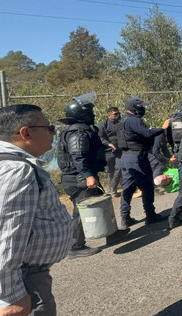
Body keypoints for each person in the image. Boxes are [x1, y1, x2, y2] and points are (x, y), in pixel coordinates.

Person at [0, 104, 72, 315]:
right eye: (49, 128)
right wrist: (11, 296)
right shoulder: (16, 171)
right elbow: (4, 236)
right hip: (23, 280)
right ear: (26, 132)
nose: (54, 133)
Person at [56, 95, 108, 258]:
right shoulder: (78, 131)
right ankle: (74, 246)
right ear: (82, 113)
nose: (92, 114)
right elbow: (78, 155)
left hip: (82, 176)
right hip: (78, 177)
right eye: (90, 111)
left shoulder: (81, 129)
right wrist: (88, 175)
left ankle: (111, 232)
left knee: (100, 203)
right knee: (82, 211)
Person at [116, 97, 170, 229]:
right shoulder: (134, 120)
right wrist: (162, 129)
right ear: (134, 107)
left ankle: (125, 217)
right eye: (140, 106)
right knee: (146, 186)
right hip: (137, 157)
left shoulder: (122, 120)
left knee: (127, 188)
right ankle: (150, 215)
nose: (142, 109)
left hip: (126, 157)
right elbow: (146, 133)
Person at [98, 107, 122, 196]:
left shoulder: (122, 122)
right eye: (115, 114)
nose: (118, 115)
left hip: (120, 151)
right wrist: (108, 144)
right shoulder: (103, 124)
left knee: (120, 168)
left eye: (118, 113)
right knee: (111, 171)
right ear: (109, 115)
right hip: (108, 152)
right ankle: (113, 189)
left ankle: (113, 186)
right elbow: (100, 137)